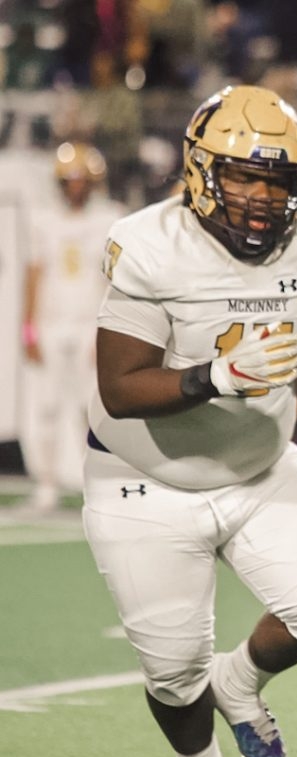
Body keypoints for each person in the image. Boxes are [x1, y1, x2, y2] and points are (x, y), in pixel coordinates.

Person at [83, 85, 297, 757]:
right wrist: (210, 376)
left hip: (259, 463)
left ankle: (237, 683)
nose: (262, 196)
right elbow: (120, 385)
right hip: (145, 476)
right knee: (175, 668)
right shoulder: (150, 246)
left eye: (277, 180)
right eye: (243, 174)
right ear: (201, 172)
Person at [21, 141, 125, 511]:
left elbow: (113, 282)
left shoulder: (109, 218)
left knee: (91, 407)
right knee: (46, 406)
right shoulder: (43, 221)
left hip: (88, 325)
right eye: (70, 180)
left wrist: (107, 331)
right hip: (51, 324)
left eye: (81, 180)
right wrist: (28, 329)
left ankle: (96, 484)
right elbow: (34, 274)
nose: (75, 187)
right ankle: (46, 483)